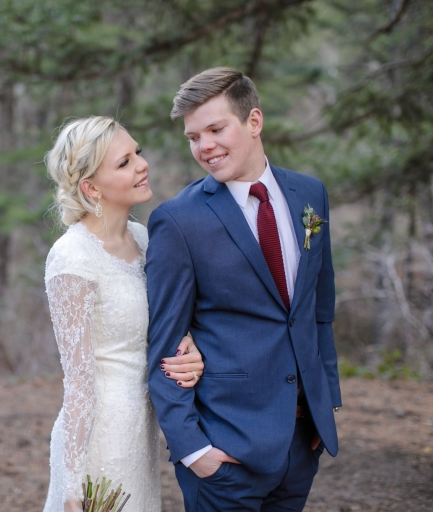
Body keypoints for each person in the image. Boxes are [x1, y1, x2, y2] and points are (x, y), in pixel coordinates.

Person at [146, 67, 342, 511]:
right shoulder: (179, 221)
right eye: (194, 137)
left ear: (254, 122)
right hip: (226, 453)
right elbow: (163, 344)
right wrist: (195, 452)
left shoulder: (310, 195)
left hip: (302, 441)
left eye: (216, 129)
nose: (205, 147)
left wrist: (325, 405)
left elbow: (318, 309)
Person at [42, 116, 205, 512]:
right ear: (90, 187)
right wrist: (73, 483)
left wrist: (191, 349)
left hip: (142, 430)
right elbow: (79, 382)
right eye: (123, 162)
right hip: (101, 438)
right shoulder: (71, 259)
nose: (141, 165)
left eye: (138, 153)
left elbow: (163, 326)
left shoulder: (145, 239)